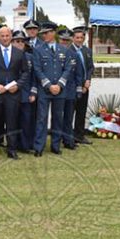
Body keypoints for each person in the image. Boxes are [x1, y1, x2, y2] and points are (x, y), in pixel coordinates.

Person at [0, 25, 30, 159]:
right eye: (2, 36)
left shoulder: (19, 53)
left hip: (12, 94)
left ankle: (12, 150)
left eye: (7, 35)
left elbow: (25, 72)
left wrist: (18, 85)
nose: (5, 38)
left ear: (11, 37)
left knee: (12, 123)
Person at [32, 21, 74, 156]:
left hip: (60, 91)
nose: (44, 35)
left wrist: (59, 85)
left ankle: (56, 146)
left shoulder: (64, 50)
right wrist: (49, 85)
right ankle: (39, 147)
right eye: (43, 33)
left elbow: (68, 68)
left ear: (53, 33)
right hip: (45, 90)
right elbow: (37, 69)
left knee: (57, 118)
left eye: (47, 33)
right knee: (41, 118)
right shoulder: (38, 50)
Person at [12, 30, 38, 154]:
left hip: (26, 94)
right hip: (11, 95)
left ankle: (26, 145)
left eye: (22, 41)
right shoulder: (7, 56)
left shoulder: (30, 58)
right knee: (13, 121)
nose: (20, 43)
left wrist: (33, 93)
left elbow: (34, 77)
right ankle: (13, 144)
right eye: (17, 41)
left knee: (27, 121)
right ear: (12, 42)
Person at [71, 26, 94, 145]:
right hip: (73, 87)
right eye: (77, 37)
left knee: (81, 111)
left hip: (85, 87)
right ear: (73, 38)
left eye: (82, 37)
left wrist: (88, 80)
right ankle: (69, 136)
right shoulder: (69, 50)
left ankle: (80, 135)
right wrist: (79, 85)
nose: (80, 40)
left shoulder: (87, 51)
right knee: (70, 112)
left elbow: (90, 67)